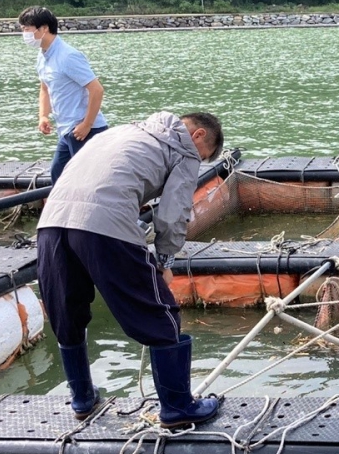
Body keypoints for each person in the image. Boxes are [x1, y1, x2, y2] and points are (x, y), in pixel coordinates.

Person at [36, 111, 225, 428]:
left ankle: (82, 399)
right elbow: (174, 212)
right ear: (199, 135)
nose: (198, 161)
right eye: (203, 156)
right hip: (103, 225)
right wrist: (165, 262)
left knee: (67, 312)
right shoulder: (184, 148)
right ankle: (178, 407)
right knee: (160, 313)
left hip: (52, 222)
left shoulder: (122, 132)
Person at [18, 6, 107, 183]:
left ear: (44, 28)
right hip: (66, 131)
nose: (24, 34)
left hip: (84, 131)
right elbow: (45, 88)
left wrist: (87, 124)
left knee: (87, 183)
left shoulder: (68, 56)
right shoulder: (43, 56)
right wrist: (43, 116)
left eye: (27, 29)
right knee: (58, 177)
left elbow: (97, 89)